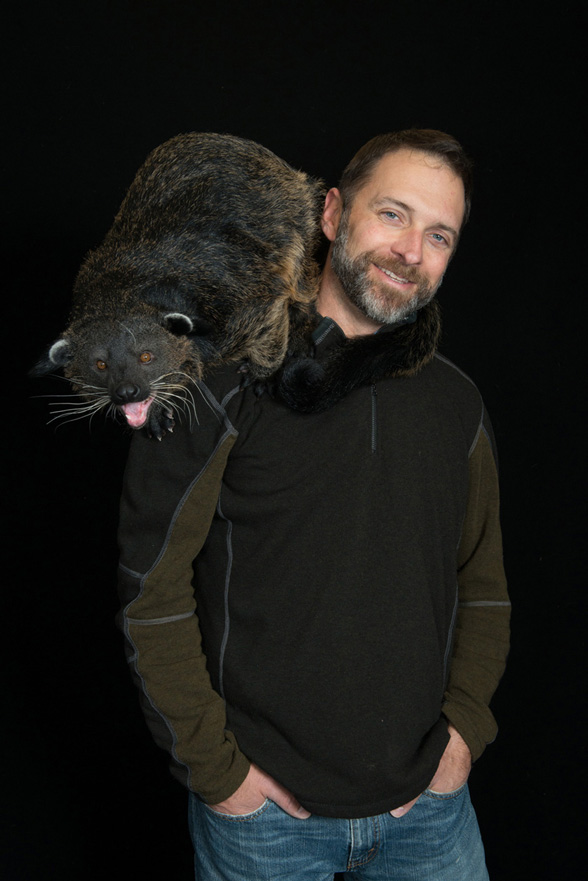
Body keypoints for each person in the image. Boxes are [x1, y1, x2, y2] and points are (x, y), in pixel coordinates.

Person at [117, 129, 510, 880]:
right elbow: (150, 589)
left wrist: (463, 731)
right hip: (265, 825)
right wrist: (217, 773)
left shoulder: (456, 403)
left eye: (438, 234)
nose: (410, 250)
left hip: (429, 812)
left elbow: (483, 586)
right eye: (391, 214)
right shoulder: (220, 382)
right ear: (332, 213)